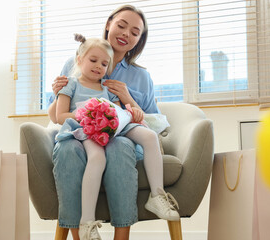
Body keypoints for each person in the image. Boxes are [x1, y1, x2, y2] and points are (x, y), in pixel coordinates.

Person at [48, 5, 176, 240]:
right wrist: (59, 94)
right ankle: (82, 232)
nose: (126, 33)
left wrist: (127, 99)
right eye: (121, 25)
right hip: (83, 134)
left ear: (139, 40)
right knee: (67, 147)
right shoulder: (76, 61)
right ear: (109, 24)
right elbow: (56, 115)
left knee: (120, 146)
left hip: (121, 135)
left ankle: (123, 234)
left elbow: (150, 122)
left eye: (135, 32)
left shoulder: (141, 77)